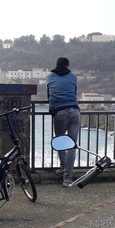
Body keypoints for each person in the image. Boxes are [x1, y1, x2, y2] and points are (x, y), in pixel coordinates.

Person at [46, 57, 80, 187]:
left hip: (59, 112)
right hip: (74, 111)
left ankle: (63, 167)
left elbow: (49, 94)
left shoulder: (50, 75)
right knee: (72, 145)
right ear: (67, 65)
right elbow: (74, 93)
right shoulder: (73, 76)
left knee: (60, 142)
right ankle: (67, 178)